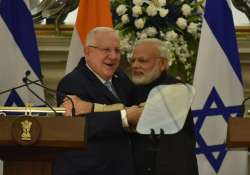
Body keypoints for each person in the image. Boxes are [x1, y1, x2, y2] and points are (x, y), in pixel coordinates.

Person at [53, 27, 141, 175]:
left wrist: (93, 107)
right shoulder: (71, 83)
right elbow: (83, 126)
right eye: (106, 50)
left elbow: (140, 109)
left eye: (117, 50)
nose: (113, 56)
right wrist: (125, 117)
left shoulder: (120, 77)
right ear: (88, 52)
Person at [130, 38, 198, 175]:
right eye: (133, 60)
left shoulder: (178, 89)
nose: (135, 65)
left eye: (142, 60)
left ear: (162, 64)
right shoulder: (130, 89)